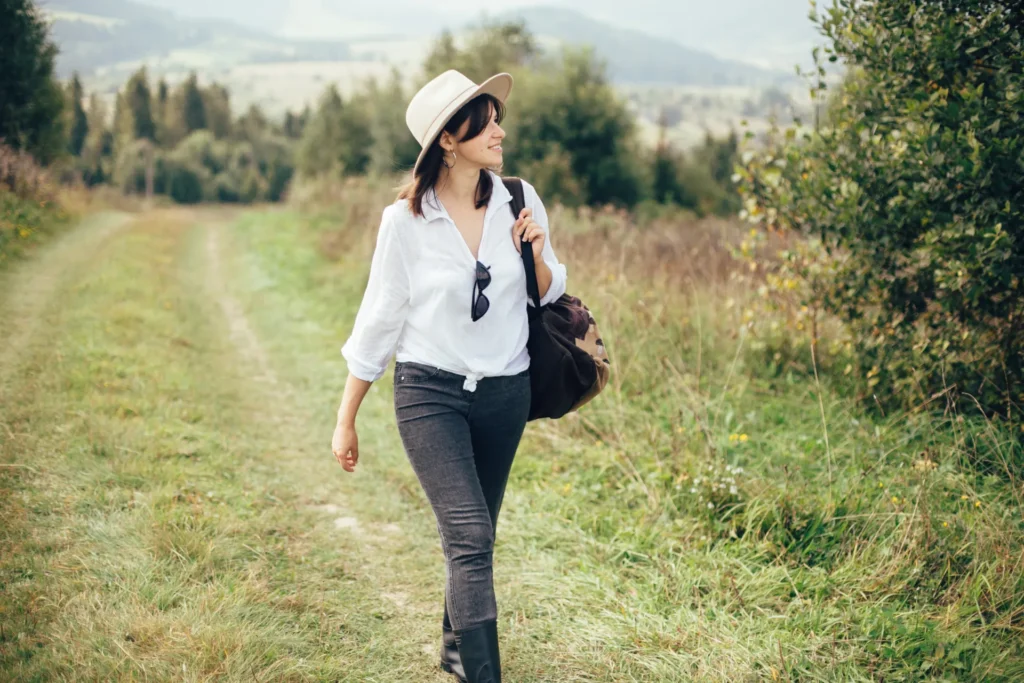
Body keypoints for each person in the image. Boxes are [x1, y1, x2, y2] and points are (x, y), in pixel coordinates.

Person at [330, 70, 568, 683]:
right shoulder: (404, 222)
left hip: (505, 392)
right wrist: (346, 416)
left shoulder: (520, 198)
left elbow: (547, 295)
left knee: (477, 537)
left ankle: (457, 649)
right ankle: (480, 675)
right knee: (467, 533)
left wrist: (536, 254)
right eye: (485, 122)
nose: (500, 130)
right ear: (448, 140)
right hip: (429, 394)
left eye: (496, 118)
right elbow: (380, 317)